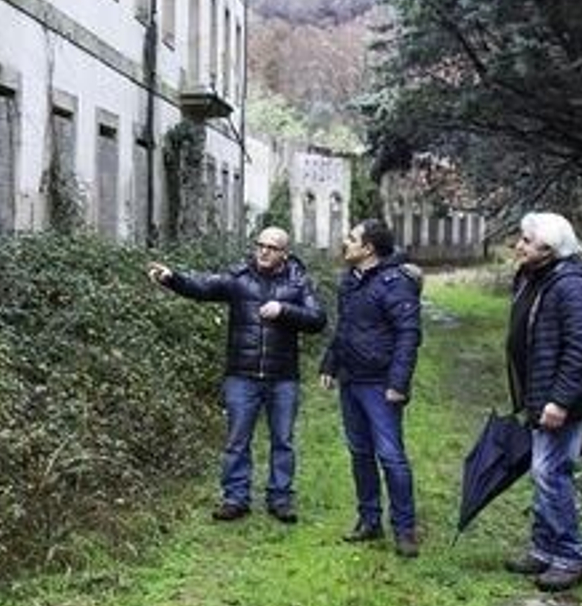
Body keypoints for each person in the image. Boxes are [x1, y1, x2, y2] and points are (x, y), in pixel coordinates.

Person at [147, 227, 327, 523]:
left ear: (284, 253)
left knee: (282, 440)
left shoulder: (298, 282)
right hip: (241, 375)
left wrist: (284, 310)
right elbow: (202, 286)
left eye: (272, 247)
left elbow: (318, 319)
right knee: (236, 440)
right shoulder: (240, 278)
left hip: (283, 377)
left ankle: (280, 499)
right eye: (261, 245)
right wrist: (172, 278)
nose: (264, 251)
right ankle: (235, 498)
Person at [504, 211, 582, 593]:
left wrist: (559, 401)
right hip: (539, 394)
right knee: (542, 471)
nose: (519, 245)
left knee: (550, 472)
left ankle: (571, 557)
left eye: (526, 240)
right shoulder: (536, 276)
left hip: (562, 399)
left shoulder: (571, 286)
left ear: (548, 248)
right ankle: (544, 550)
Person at [319, 219, 423, 557]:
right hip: (351, 380)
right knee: (360, 453)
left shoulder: (396, 284)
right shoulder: (349, 281)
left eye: (351, 238)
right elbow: (344, 328)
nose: (344, 242)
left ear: (369, 249)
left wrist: (398, 383)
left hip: (380, 385)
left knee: (391, 457)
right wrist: (330, 365)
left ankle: (405, 529)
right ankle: (369, 520)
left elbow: (409, 335)